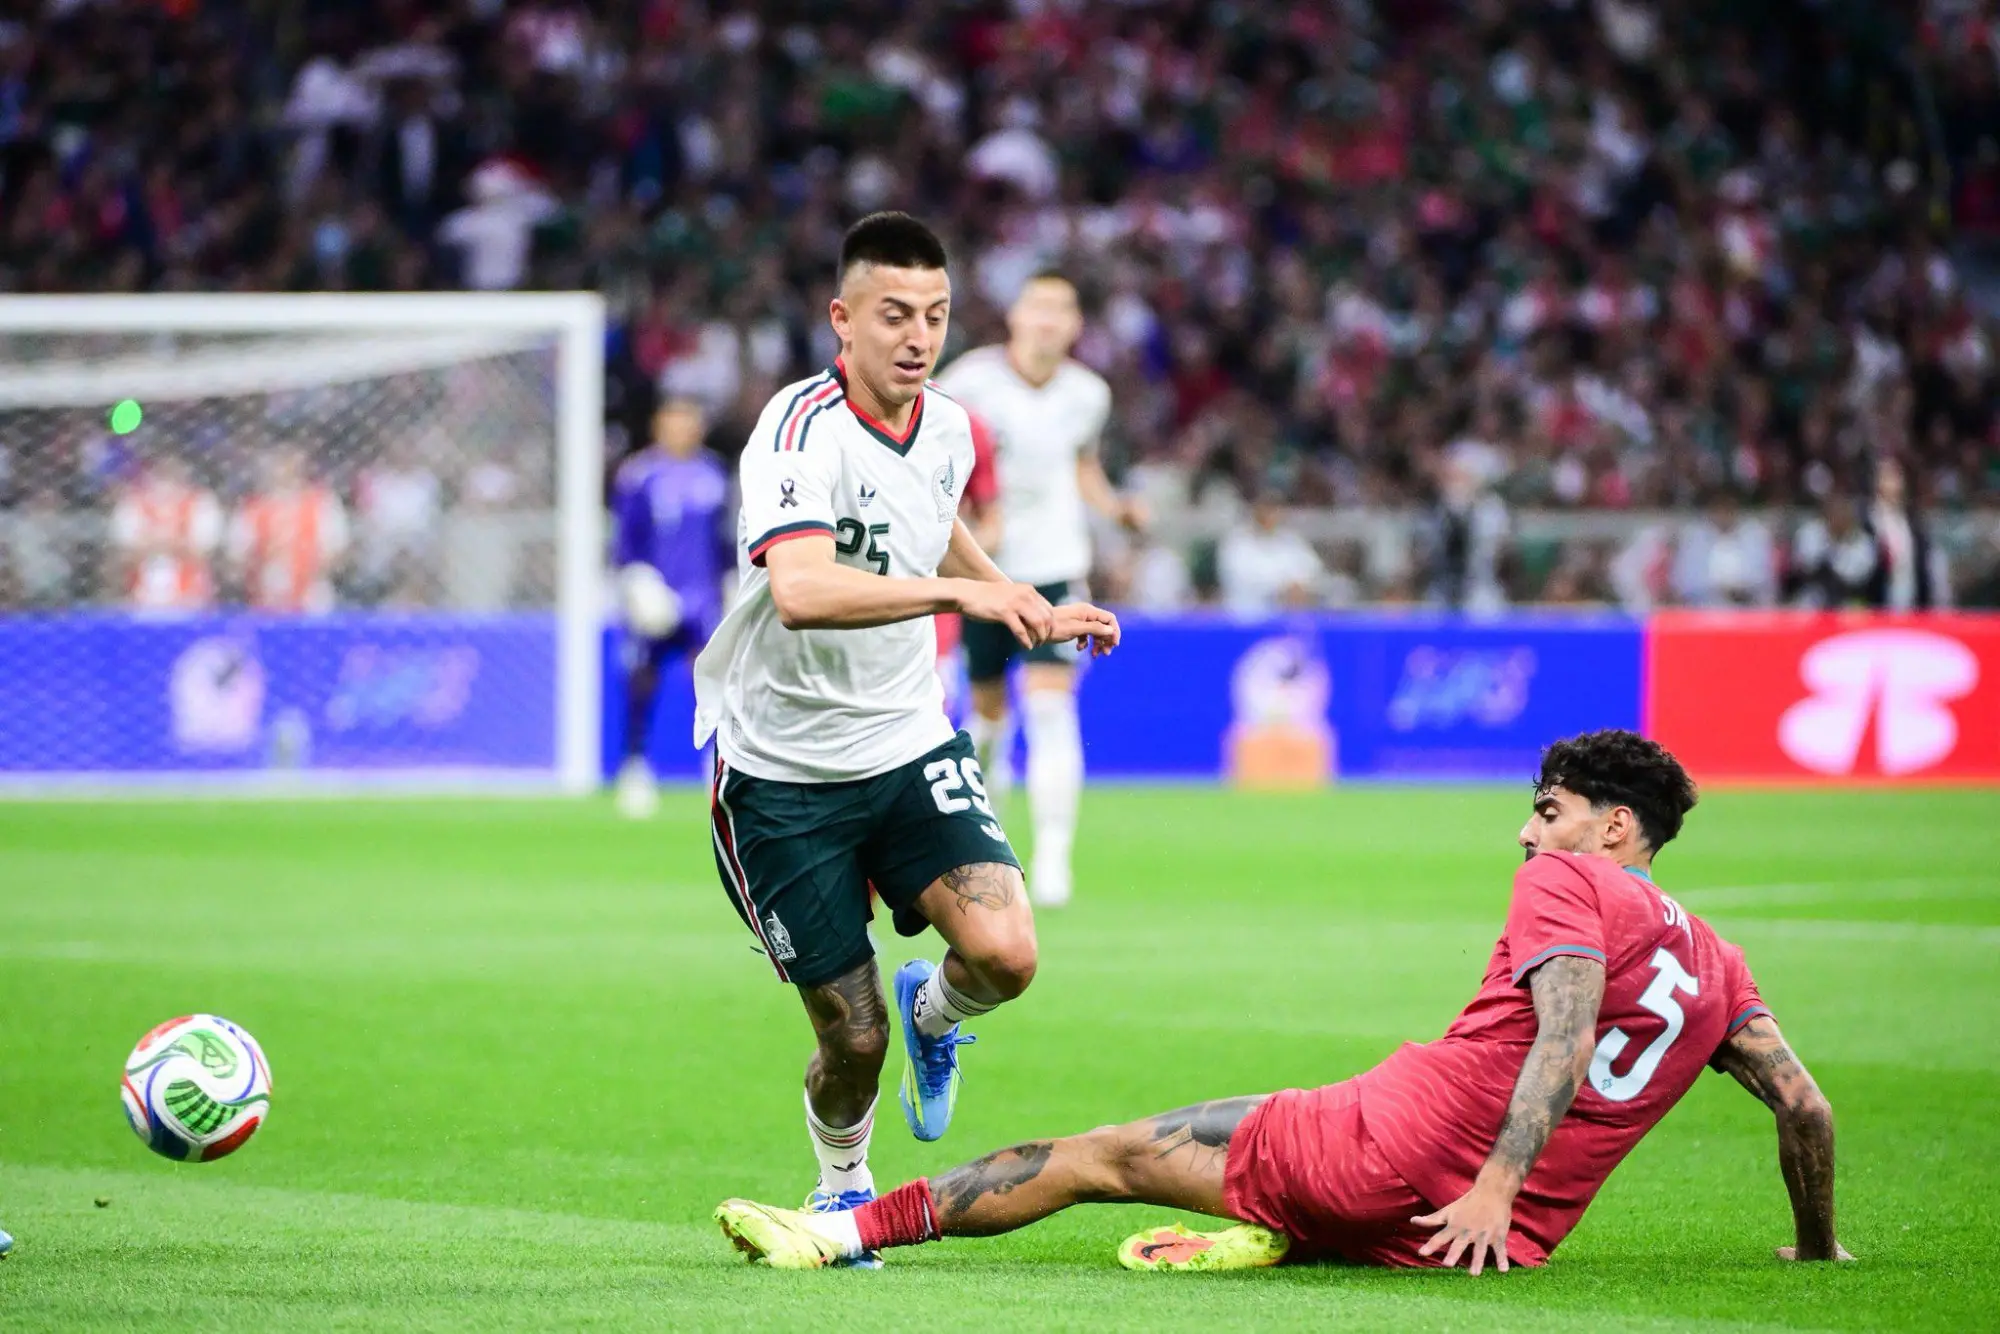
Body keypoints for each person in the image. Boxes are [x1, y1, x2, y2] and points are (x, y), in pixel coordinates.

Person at [716, 730, 1852, 1276]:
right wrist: (1813, 1248)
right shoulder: (1719, 964)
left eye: (1547, 808)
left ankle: (839, 1226)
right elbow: (1804, 1109)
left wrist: (1492, 1181)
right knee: (1274, 1164)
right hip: (1465, 1243)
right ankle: (1281, 1234)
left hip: (1397, 1152)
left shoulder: (1568, 879)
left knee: (1092, 1155)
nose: (1525, 828)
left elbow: (1561, 1030)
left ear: (1613, 827)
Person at [691, 213, 1121, 1262]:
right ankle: (843, 1188)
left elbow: (933, 519)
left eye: (934, 314)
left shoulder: (946, 425)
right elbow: (797, 589)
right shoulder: (795, 431)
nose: (917, 335)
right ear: (842, 319)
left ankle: (937, 1011)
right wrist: (955, 599)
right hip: (781, 776)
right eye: (893, 315)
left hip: (904, 741)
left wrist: (1006, 588)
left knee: (1006, 952)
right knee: (850, 1035)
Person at [934, 272, 1142, 907]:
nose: (1049, 320)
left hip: (1055, 565)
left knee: (1051, 709)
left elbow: (1082, 466)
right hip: (986, 574)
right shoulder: (968, 382)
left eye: (1062, 308)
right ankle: (989, 843)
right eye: (1038, 307)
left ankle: (1053, 860)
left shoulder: (1088, 394)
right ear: (1015, 316)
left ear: (1076, 325)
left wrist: (1115, 507)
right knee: (989, 719)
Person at [610, 396, 734, 818]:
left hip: (704, 599)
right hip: (656, 597)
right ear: (658, 426)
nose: (682, 429)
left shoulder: (715, 474)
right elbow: (626, 542)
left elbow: (727, 539)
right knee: (642, 680)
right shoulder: (639, 475)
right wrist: (638, 584)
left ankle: (716, 767)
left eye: (689, 421)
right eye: (674, 421)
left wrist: (732, 583)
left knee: (713, 684)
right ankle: (635, 767)